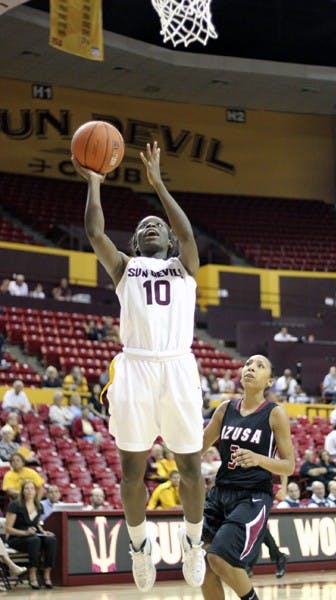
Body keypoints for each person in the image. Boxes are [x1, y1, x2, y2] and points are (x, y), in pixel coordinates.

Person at [73, 141, 206, 591]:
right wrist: (94, 183)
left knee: (189, 469)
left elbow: (188, 235)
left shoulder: (184, 266)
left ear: (167, 240)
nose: (152, 226)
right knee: (132, 471)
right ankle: (139, 545)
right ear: (135, 242)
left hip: (178, 367)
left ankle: (192, 541)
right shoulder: (125, 268)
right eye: (144, 225)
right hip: (135, 369)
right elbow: (95, 234)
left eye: (158, 225)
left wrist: (158, 186)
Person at [200, 354, 294, 600]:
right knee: (203, 569)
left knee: (218, 558)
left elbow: (289, 465)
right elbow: (198, 447)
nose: (251, 367)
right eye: (248, 364)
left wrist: (259, 459)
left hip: (252, 497)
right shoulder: (225, 409)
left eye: (260, 365)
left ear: (269, 381)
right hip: (219, 494)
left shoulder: (275, 414)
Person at [5, 480, 57, 589]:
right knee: (34, 540)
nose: (29, 491)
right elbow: (8, 529)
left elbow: (37, 523)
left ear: (35, 491)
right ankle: (32, 573)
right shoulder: (15, 505)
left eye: (32, 488)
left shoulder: (38, 506)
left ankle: (47, 573)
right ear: (22, 491)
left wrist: (43, 532)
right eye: (27, 488)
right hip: (16, 537)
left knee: (51, 539)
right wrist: (25, 532)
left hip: (33, 536)